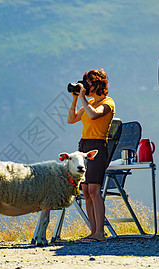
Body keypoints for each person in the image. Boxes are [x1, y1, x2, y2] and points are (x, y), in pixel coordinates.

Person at [67, 68, 115, 243]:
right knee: (86, 190)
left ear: (98, 84)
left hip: (97, 146)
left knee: (94, 189)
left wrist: (82, 98)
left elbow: (94, 116)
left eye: (89, 83)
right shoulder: (90, 103)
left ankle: (100, 233)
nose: (86, 86)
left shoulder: (108, 103)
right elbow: (71, 119)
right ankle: (93, 231)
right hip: (84, 145)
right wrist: (75, 99)